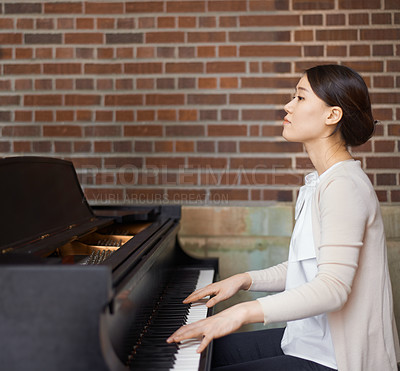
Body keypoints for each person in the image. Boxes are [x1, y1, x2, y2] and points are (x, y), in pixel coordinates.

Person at [167, 64, 400, 371]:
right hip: (307, 340)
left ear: (332, 115)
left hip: (338, 359)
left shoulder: (343, 186)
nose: (287, 106)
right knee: (195, 352)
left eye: (300, 98)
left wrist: (240, 313)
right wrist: (244, 280)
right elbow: (309, 266)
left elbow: (333, 288)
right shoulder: (321, 182)